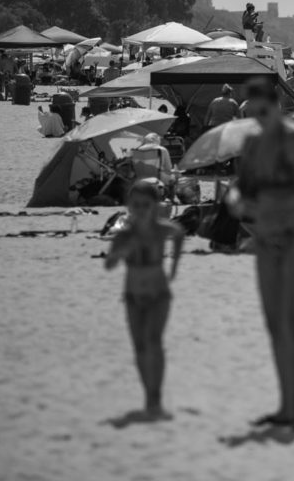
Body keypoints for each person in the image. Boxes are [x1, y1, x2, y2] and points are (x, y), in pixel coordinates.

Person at [234, 81, 294, 431]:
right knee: (274, 325)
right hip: (266, 235)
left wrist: (273, 203)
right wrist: (237, 199)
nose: (259, 118)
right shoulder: (253, 142)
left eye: (264, 111)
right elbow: (243, 187)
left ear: (277, 105)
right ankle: (284, 407)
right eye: (253, 113)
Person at [104, 178, 184, 419]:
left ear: (155, 206)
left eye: (145, 204)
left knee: (154, 342)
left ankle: (156, 396)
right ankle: (149, 395)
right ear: (129, 206)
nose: (140, 209)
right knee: (139, 347)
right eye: (135, 204)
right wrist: (120, 254)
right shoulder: (123, 235)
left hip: (158, 294)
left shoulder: (161, 230)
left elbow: (179, 233)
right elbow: (109, 265)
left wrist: (174, 266)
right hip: (132, 295)